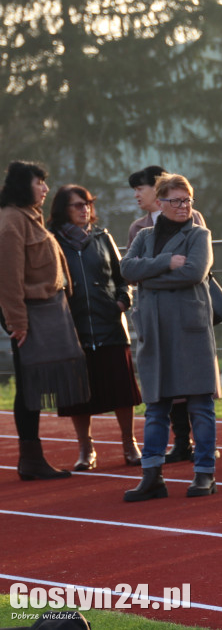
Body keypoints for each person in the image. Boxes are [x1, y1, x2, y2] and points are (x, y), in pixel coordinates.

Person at [121, 174, 220, 500]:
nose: (184, 206)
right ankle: (152, 476)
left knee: (200, 405)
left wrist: (148, 277)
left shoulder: (199, 234)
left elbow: (193, 272)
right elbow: (126, 269)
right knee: (156, 407)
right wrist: (165, 263)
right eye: (176, 201)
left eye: (188, 200)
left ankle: (204, 474)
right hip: (154, 332)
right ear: (160, 203)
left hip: (189, 332)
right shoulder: (144, 236)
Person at [0, 161, 90, 480]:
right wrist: (18, 323)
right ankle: (31, 459)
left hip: (49, 311)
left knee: (32, 386)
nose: (45, 188)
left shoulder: (28, 217)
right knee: (29, 386)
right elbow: (8, 278)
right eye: (40, 182)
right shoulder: (11, 221)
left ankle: (32, 459)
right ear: (24, 185)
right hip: (31, 315)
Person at [47, 185, 142, 470]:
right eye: (77, 205)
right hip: (72, 330)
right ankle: (86, 450)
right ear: (63, 209)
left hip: (110, 326)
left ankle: (130, 443)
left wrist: (123, 301)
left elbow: (122, 275)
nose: (84, 209)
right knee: (78, 395)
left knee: (121, 391)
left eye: (87, 204)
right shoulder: (52, 242)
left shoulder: (103, 237)